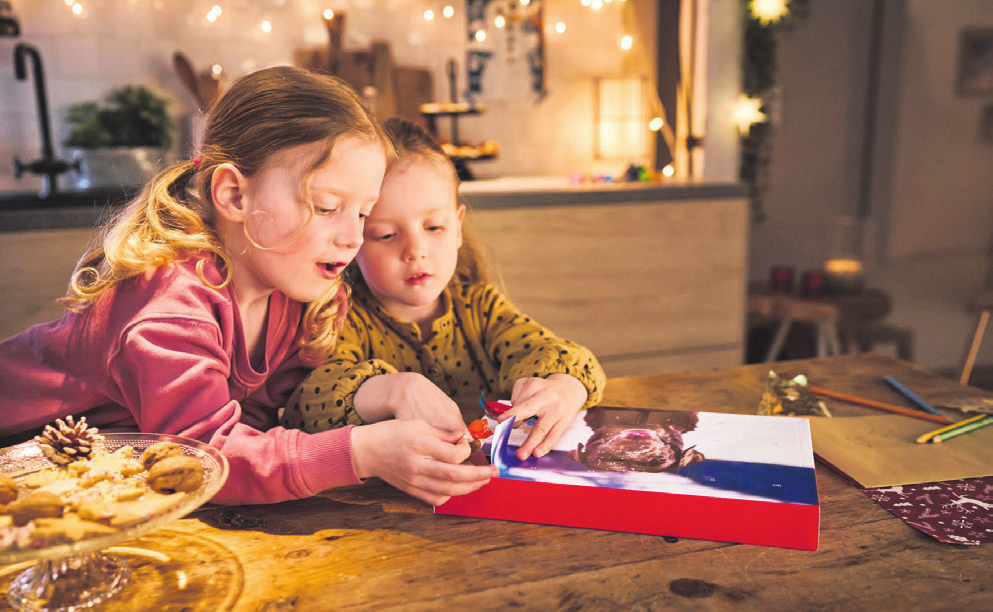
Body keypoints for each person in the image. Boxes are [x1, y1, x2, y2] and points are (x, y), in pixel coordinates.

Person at [0, 67, 497, 507]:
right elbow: (204, 460)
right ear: (234, 194)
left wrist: (393, 393)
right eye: (326, 206)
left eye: (364, 212)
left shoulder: (296, 295)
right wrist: (363, 452)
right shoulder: (170, 305)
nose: (353, 235)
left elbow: (270, 419)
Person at [282, 118, 606, 461]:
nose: (415, 250)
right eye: (386, 235)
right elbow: (305, 408)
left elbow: (558, 354)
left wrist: (563, 386)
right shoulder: (341, 317)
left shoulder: (481, 308)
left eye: (434, 227)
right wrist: (394, 389)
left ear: (457, 228)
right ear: (354, 239)